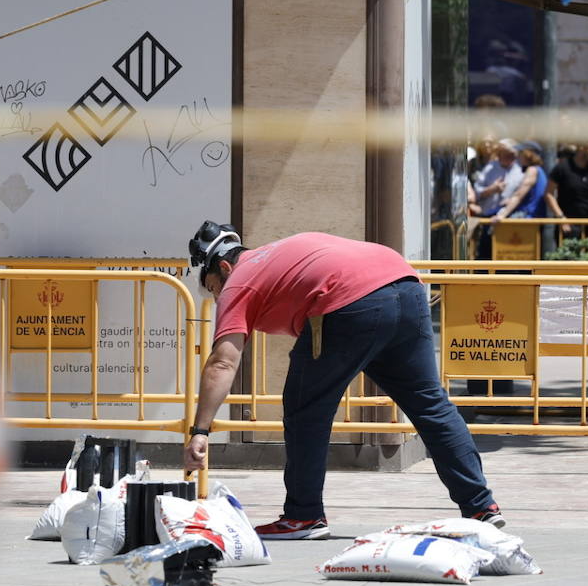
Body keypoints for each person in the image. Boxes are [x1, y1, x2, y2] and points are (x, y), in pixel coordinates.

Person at [182, 222, 505, 538]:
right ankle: (480, 507)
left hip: (348, 300)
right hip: (403, 283)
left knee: (305, 410)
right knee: (429, 403)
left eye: (212, 287)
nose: (217, 296)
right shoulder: (272, 254)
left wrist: (200, 430)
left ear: (224, 267)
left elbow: (223, 362)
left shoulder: (238, 281)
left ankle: (303, 516)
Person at [546, 140, 588, 250]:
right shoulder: (562, 167)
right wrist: (561, 218)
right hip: (568, 227)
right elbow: (549, 193)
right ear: (582, 148)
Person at [487, 141, 547, 223]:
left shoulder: (532, 170)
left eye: (520, 153)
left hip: (527, 218)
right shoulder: (539, 170)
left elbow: (519, 195)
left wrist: (502, 215)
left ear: (527, 154)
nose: (518, 157)